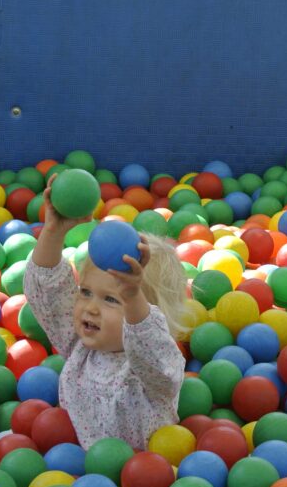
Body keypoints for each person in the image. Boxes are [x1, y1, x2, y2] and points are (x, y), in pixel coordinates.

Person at [23, 175, 187, 450]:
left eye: (111, 299)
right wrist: (53, 232)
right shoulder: (80, 348)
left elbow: (155, 357)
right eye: (86, 292)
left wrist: (132, 297)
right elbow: (47, 293)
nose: (91, 307)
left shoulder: (150, 367)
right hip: (70, 468)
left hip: (139, 480)